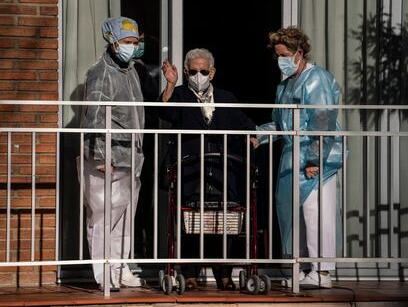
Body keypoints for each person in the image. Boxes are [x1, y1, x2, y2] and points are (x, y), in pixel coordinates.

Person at [160, 48, 256, 290]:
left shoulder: (226, 97)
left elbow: (244, 124)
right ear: (185, 72)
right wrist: (170, 84)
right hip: (190, 169)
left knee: (224, 221)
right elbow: (165, 112)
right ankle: (189, 273)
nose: (199, 75)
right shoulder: (180, 95)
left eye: (204, 71)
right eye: (193, 71)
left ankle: (224, 273)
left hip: (222, 168)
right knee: (190, 220)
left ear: (212, 72)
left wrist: (252, 138)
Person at [255, 26, 344, 288]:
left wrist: (316, 160)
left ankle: (323, 271)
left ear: (299, 53)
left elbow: (323, 122)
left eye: (284, 54)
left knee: (316, 213)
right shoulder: (286, 84)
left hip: (317, 159)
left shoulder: (317, 79)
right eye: (278, 55)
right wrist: (257, 135)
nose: (280, 61)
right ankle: (306, 267)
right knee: (297, 214)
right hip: (293, 158)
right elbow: (280, 123)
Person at [79, 16, 146, 290]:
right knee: (103, 217)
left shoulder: (130, 71)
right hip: (108, 158)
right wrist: (100, 156)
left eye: (135, 41)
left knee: (125, 218)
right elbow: (93, 117)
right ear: (113, 42)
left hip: (130, 156)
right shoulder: (100, 73)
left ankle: (120, 268)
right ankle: (104, 273)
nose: (132, 47)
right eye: (127, 42)